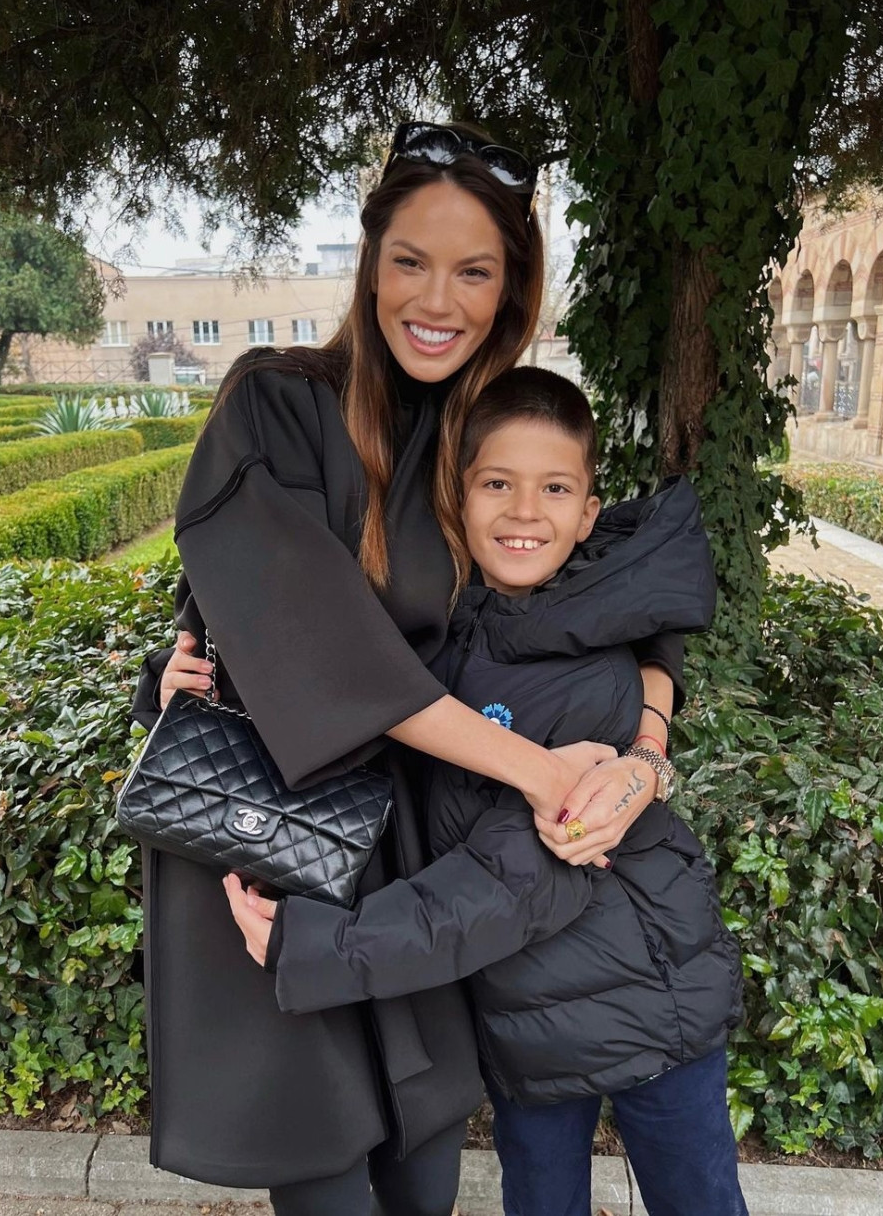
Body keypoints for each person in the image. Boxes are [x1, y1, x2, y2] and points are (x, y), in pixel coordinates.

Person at [131, 123, 687, 1216]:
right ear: (370, 263)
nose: (437, 299)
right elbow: (320, 642)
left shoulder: (483, 437)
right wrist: (542, 771)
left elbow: (625, 583)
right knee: (329, 1177)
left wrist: (645, 750)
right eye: (410, 261)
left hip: (418, 856)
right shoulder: (274, 401)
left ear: (509, 289)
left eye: (473, 270)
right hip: (278, 847)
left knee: (424, 1169)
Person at [226, 367, 746, 1216]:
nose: (524, 511)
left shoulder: (586, 674)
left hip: (653, 1015)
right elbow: (316, 639)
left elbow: (513, 880)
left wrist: (328, 948)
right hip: (524, 1027)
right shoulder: (455, 629)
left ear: (588, 513)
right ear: (456, 499)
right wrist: (178, 673)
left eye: (554, 488)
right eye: (497, 483)